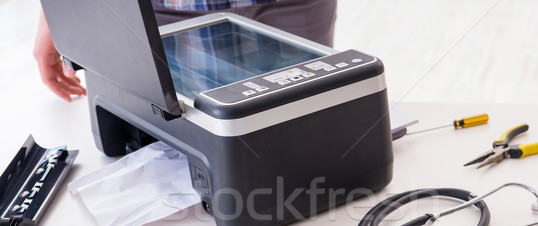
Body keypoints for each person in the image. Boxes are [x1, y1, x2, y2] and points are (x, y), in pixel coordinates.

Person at [33, 0, 337, 102]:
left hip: (290, 7)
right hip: (163, 10)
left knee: (304, 136)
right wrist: (56, 12)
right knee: (166, 155)